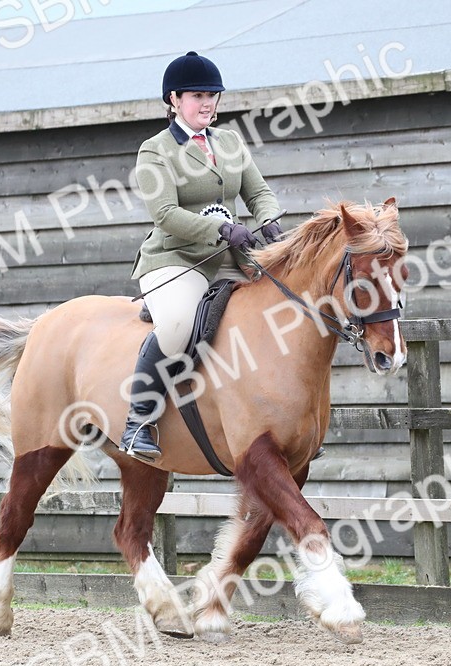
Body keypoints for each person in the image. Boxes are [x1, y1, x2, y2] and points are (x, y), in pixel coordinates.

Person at [120, 51, 283, 462]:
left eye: (213, 96)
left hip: (231, 258)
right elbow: (165, 214)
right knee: (176, 326)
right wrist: (222, 229)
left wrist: (269, 222)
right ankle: (138, 419)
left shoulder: (229, 142)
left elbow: (258, 193)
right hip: (175, 259)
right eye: (197, 95)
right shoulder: (155, 150)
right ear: (173, 99)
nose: (207, 103)